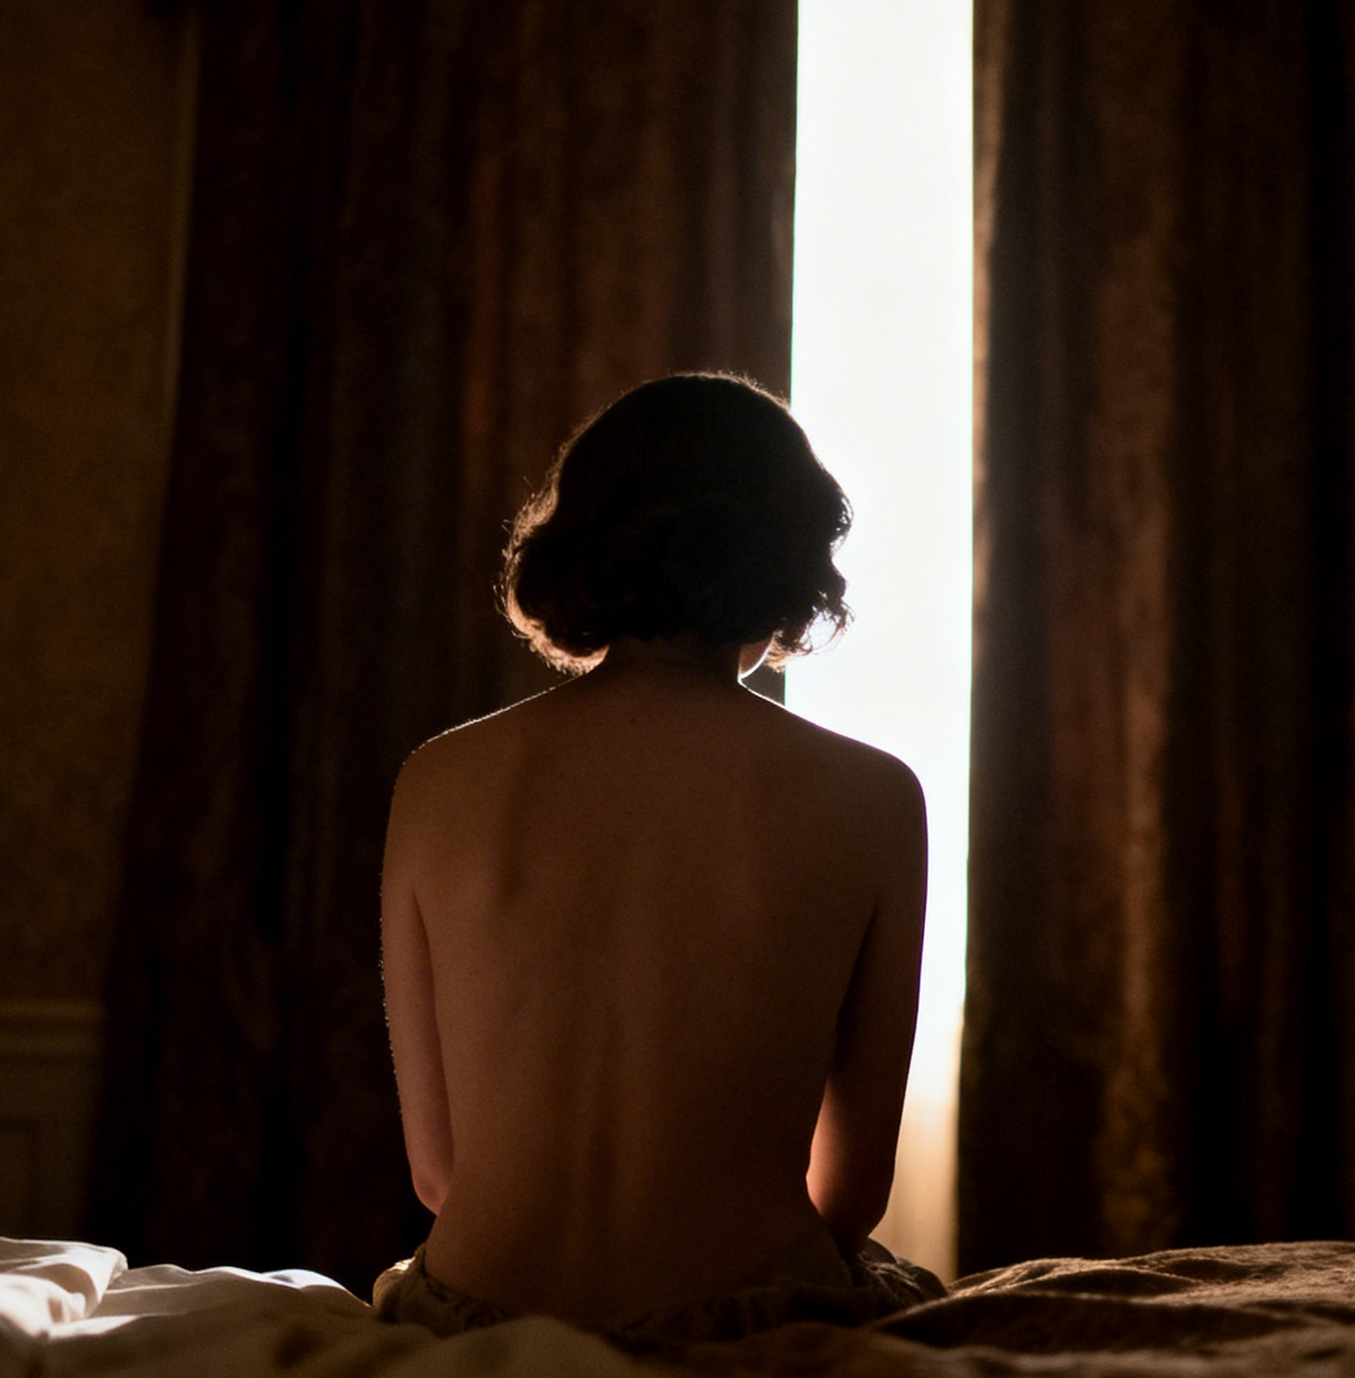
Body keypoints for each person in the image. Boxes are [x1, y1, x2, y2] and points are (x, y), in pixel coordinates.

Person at [372, 373, 942, 1347]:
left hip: (476, 1316)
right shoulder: (874, 797)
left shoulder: (436, 776)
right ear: (788, 560)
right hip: (743, 1323)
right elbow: (850, 1198)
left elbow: (439, 1179)